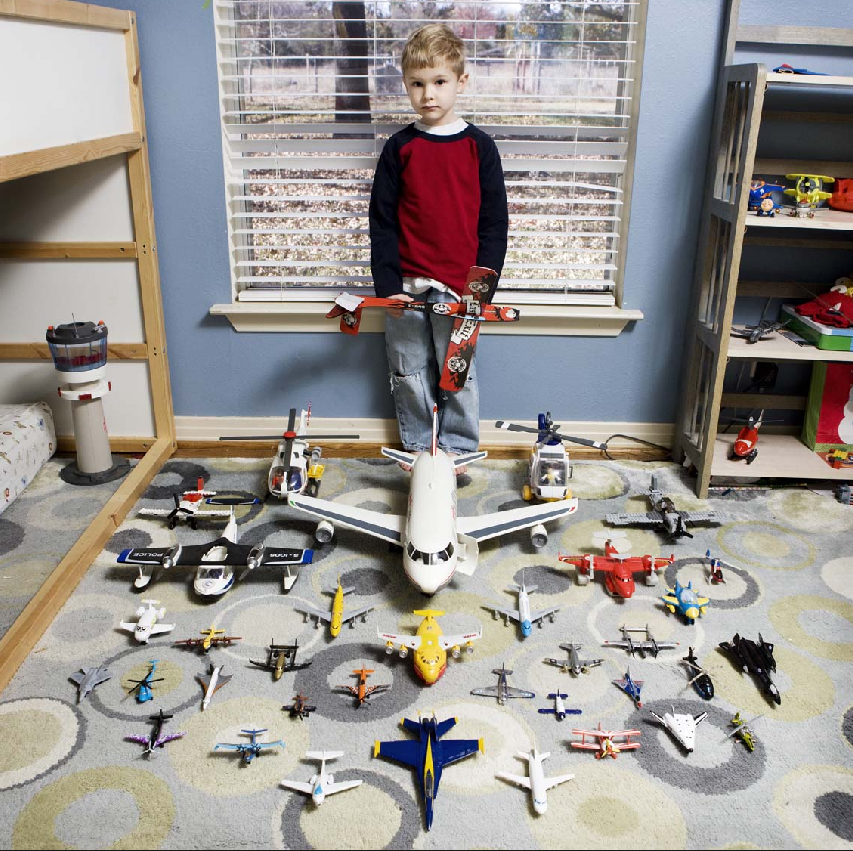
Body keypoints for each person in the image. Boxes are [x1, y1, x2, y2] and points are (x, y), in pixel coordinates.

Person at [369, 23, 508, 468]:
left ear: (461, 82)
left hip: (461, 291)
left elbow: (494, 225)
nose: (428, 94)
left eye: (439, 82)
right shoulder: (399, 148)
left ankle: (458, 450)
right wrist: (388, 286)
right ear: (406, 84)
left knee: (457, 372)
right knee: (408, 368)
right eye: (417, 83)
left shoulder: (480, 147)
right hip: (406, 288)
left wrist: (480, 290)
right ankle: (417, 447)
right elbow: (382, 223)